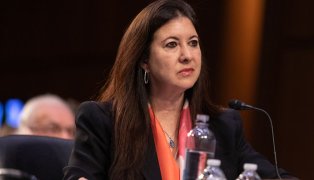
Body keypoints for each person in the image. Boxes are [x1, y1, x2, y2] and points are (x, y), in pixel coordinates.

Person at [63, 0, 297, 179]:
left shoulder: (224, 125)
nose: (187, 56)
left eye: (193, 43)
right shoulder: (104, 120)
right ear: (144, 59)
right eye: (172, 45)